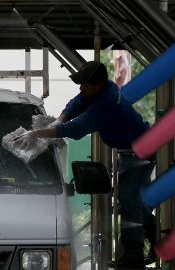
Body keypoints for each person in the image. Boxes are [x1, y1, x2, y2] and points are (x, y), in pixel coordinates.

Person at [15, 61, 156, 270]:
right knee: (130, 202)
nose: (82, 88)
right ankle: (155, 239)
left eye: (85, 85)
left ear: (98, 85)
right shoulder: (101, 89)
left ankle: (134, 260)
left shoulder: (107, 103)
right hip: (129, 152)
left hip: (142, 151)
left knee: (128, 200)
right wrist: (58, 120)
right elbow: (77, 102)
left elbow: (77, 128)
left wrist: (37, 133)